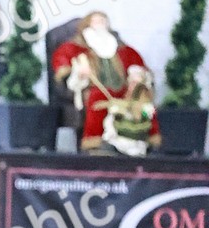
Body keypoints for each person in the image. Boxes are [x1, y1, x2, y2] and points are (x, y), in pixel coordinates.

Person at [51, 11, 160, 154]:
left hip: (123, 89)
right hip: (95, 88)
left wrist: (138, 76)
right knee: (97, 98)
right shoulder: (74, 47)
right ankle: (95, 143)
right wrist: (79, 72)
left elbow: (137, 64)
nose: (100, 24)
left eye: (103, 20)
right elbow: (63, 66)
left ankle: (144, 139)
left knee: (142, 100)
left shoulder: (121, 48)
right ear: (87, 24)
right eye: (96, 21)